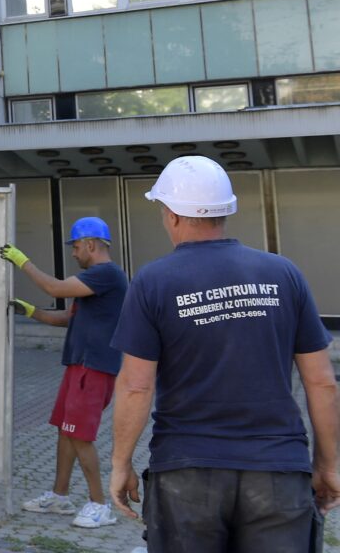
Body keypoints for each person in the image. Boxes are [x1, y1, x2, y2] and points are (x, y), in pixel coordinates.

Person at [110, 155, 340, 552]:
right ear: (225, 211)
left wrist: (119, 464)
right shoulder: (284, 273)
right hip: (278, 472)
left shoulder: (153, 281)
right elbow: (321, 381)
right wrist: (328, 464)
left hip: (187, 473)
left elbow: (135, 386)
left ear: (173, 215)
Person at [0, 216, 128, 530]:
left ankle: (100, 505)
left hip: (94, 368)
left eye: (75, 247)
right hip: (78, 365)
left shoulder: (107, 274)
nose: (73, 253)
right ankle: (60, 496)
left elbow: (54, 286)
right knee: (64, 429)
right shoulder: (94, 282)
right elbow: (66, 320)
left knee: (80, 435)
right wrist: (31, 311)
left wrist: (22, 261)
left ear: (91, 245)